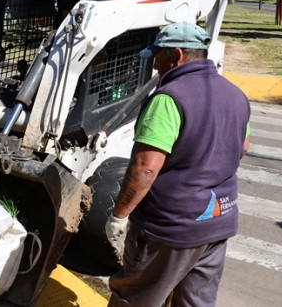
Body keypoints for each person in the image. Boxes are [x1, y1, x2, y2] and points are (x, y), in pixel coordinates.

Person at [105, 21, 250, 307]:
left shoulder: (169, 98)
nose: (156, 65)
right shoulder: (235, 95)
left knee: (134, 298)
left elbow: (146, 167)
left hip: (171, 228)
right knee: (194, 302)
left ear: (178, 55)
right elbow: (243, 146)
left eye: (159, 56)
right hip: (217, 223)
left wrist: (119, 216)